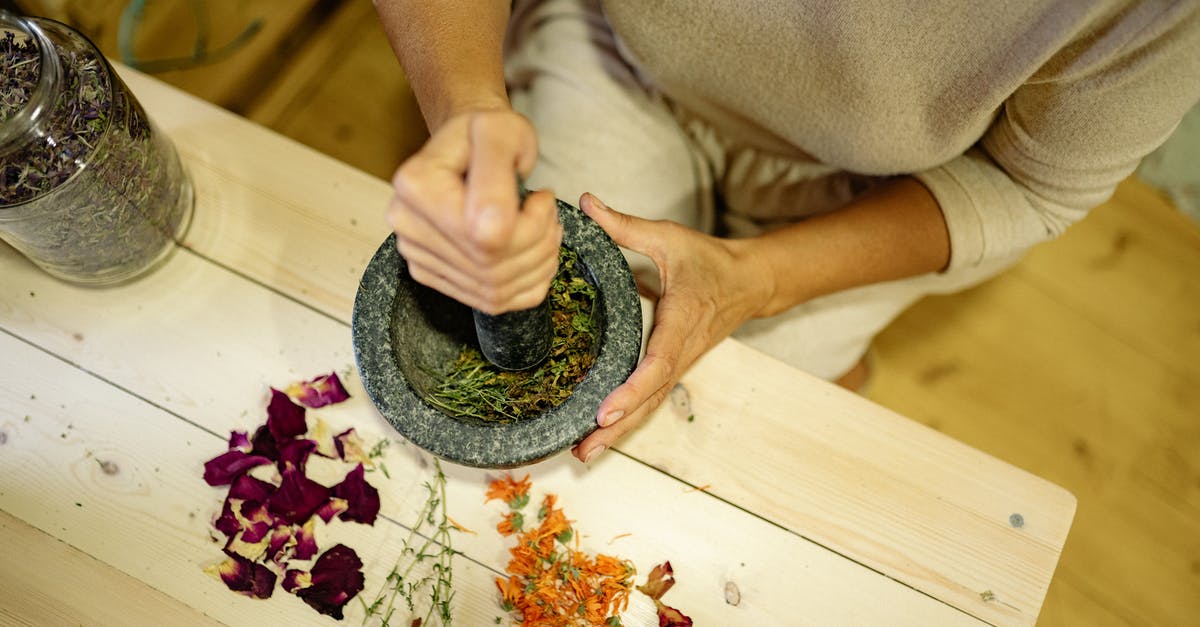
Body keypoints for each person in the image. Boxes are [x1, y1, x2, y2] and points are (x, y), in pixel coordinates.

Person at [372, 0, 1200, 463]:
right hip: (627, 62)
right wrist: (467, 106)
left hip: (878, 188)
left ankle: (832, 351)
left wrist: (757, 278)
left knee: (732, 417)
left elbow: (1030, 180)